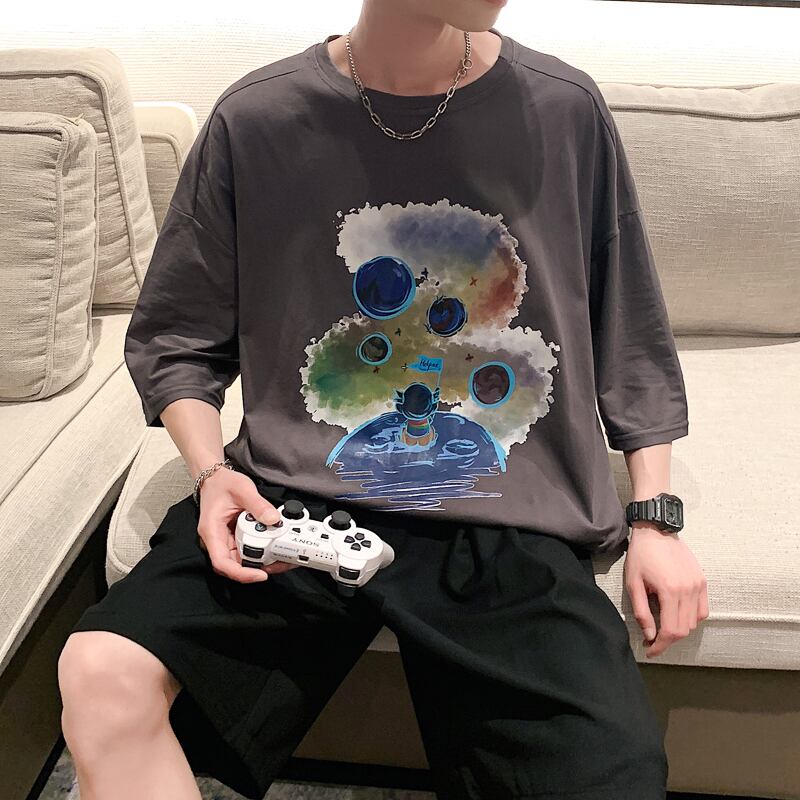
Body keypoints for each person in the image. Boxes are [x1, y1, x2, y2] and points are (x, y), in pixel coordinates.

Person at [57, 1, 710, 798]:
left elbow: (628, 327)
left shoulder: (561, 109)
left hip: (508, 519)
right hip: (297, 504)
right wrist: (209, 471)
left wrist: (653, 517)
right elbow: (177, 338)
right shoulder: (258, 120)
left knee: (607, 775)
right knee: (100, 670)